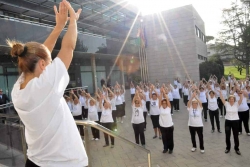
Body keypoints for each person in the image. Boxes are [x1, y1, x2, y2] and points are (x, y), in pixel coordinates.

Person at [10, 1, 87, 166]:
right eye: (49, 62)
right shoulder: (45, 87)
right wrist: (73, 21)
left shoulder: (18, 88)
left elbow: (39, 54)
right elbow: (69, 47)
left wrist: (59, 26)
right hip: (63, 163)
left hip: (34, 160)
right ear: (42, 65)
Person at [219, 90, 243, 155]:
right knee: (227, 135)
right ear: (229, 99)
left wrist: (241, 94)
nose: (231, 100)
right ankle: (228, 148)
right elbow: (222, 98)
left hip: (235, 121)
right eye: (230, 99)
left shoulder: (236, 104)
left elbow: (241, 99)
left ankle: (237, 148)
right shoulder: (226, 104)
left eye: (232, 99)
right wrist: (220, 93)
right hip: (228, 122)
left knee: (236, 136)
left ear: (234, 99)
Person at [159, 88, 174, 154]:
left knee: (170, 138)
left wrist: (164, 93)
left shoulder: (169, 108)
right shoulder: (160, 108)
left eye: (165, 103)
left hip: (169, 125)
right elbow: (159, 100)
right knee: (164, 138)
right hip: (162, 126)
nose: (164, 104)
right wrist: (161, 93)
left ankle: (170, 149)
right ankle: (165, 148)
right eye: (163, 103)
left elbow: (167, 100)